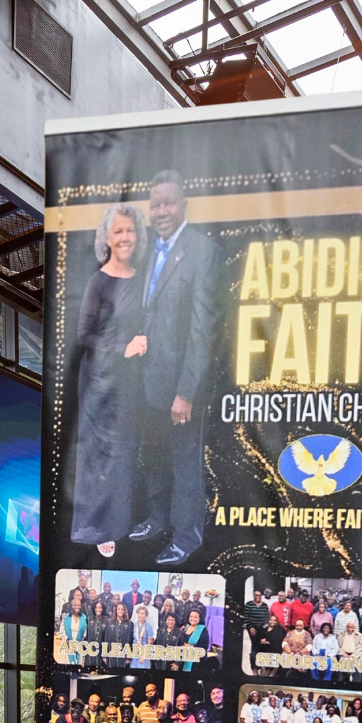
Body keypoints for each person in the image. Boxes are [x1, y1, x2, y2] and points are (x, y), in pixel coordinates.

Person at [127, 170, 221, 565]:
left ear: (184, 206)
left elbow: (204, 329)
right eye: (156, 205)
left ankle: (187, 537)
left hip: (182, 387)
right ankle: (158, 518)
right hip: (145, 380)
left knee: (185, 465)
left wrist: (186, 391)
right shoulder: (147, 250)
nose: (161, 211)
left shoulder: (203, 251)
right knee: (152, 455)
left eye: (169, 203)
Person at [71, 203, 150, 557]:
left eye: (130, 230)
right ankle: (95, 527)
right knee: (98, 455)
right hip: (99, 384)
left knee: (125, 454)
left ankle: (117, 525)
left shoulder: (146, 278)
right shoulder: (98, 282)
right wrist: (124, 348)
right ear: (107, 237)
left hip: (131, 384)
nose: (125, 237)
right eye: (118, 231)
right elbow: (83, 334)